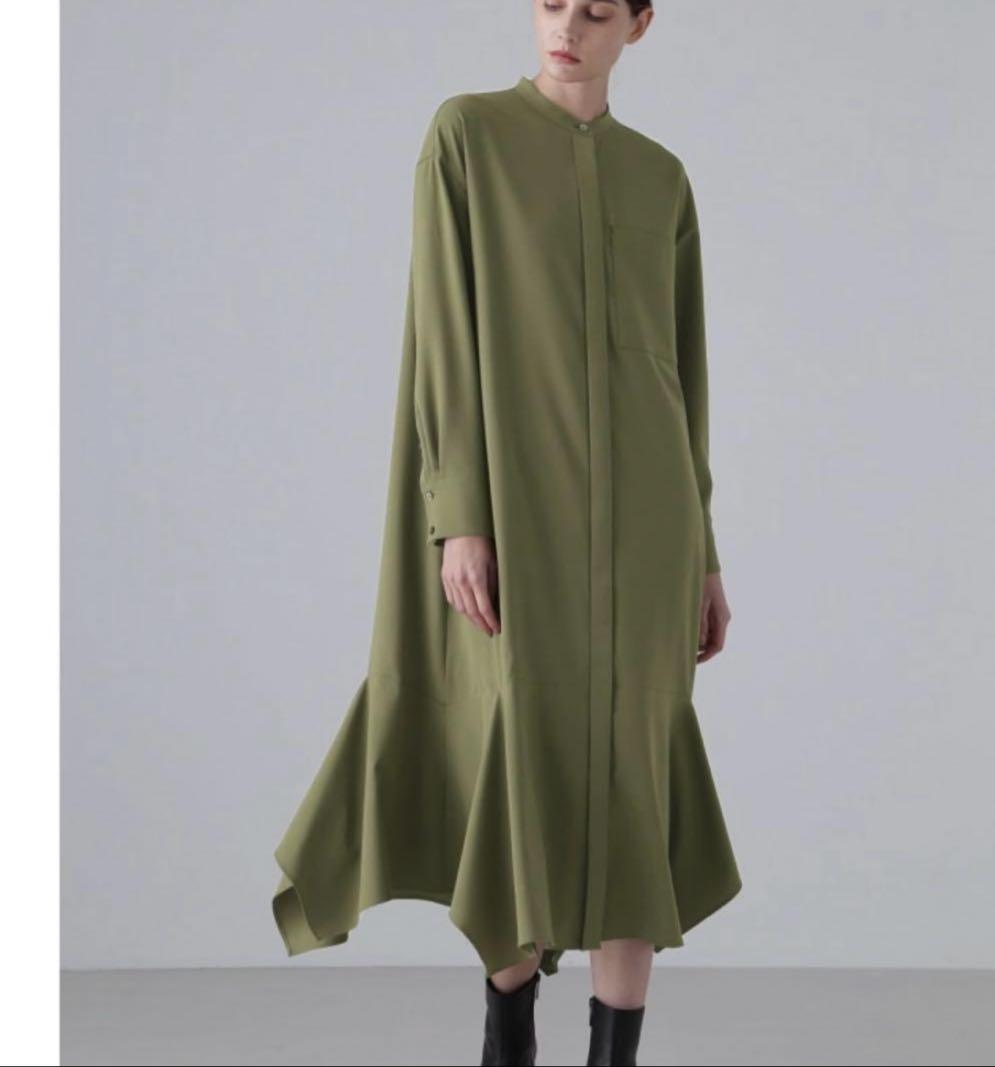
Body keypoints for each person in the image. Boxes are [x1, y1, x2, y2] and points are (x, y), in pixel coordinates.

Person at [271, 3, 742, 1065]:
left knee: (634, 783)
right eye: (550, 2)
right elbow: (445, 332)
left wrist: (704, 550)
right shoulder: (467, 135)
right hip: (515, 519)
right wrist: (461, 515)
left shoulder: (660, 178)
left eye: (596, 10)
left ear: (638, 25)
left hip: (650, 531)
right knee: (516, 760)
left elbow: (685, 375)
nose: (566, 26)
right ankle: (509, 1039)